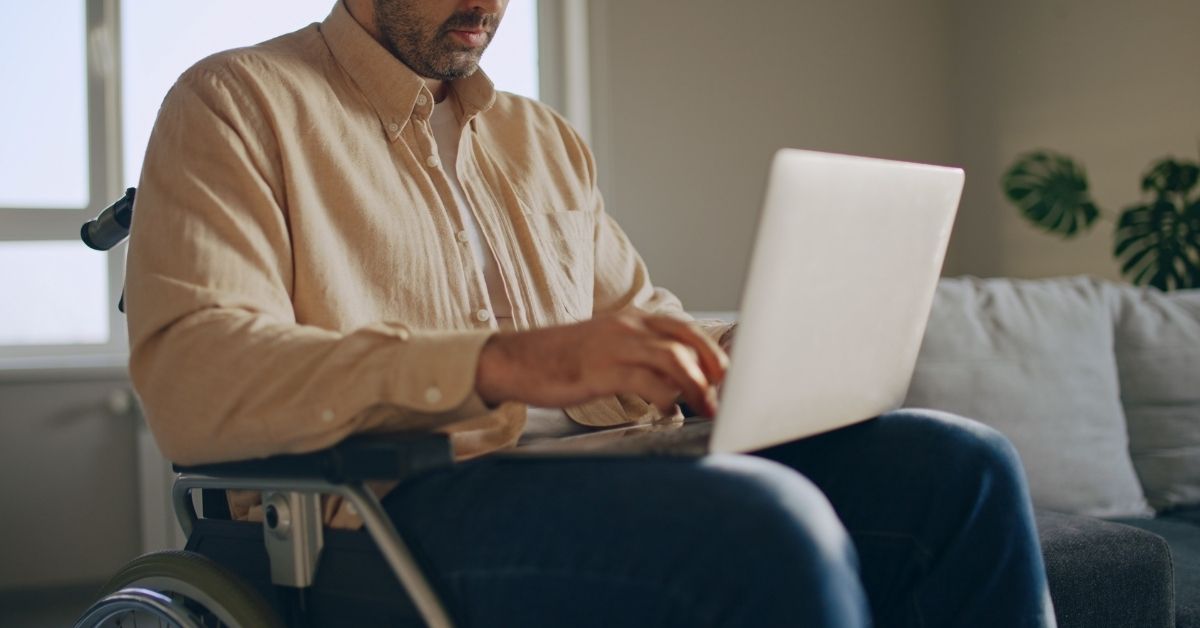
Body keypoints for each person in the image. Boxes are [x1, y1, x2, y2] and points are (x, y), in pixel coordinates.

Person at [124, 0, 1057, 625]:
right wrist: (497, 362)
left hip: (612, 463)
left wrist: (746, 356)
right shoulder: (236, 103)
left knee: (960, 465)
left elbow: (635, 317)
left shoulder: (540, 139)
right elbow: (196, 371)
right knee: (758, 521)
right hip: (385, 510)